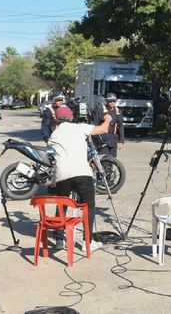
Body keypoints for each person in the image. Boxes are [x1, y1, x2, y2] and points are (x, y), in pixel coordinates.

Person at [48, 106, 113, 251]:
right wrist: (107, 119)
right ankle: (87, 242)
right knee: (88, 205)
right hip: (82, 172)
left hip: (62, 174)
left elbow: (49, 144)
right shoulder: (80, 127)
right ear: (71, 117)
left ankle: (59, 239)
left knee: (62, 204)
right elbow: (103, 129)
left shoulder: (55, 133)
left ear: (57, 119)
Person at [93, 93, 125, 158]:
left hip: (113, 139)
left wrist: (121, 141)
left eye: (113, 101)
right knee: (104, 161)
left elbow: (121, 126)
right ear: (106, 101)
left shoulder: (118, 111)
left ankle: (110, 168)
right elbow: (95, 125)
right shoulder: (101, 110)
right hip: (103, 140)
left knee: (112, 160)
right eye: (110, 101)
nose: (112, 103)